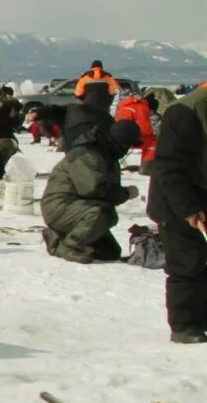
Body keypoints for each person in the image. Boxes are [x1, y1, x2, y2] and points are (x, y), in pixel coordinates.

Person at [147, 90, 207, 342]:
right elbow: (168, 165)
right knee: (188, 261)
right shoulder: (185, 112)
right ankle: (185, 326)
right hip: (175, 198)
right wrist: (189, 208)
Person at [39, 120, 140, 265]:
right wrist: (127, 193)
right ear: (121, 142)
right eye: (129, 145)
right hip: (58, 207)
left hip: (79, 207)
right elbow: (95, 190)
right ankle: (65, 246)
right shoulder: (88, 154)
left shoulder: (106, 154)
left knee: (110, 252)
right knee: (104, 212)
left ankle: (62, 236)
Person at [115, 91, 158, 166]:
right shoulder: (142, 108)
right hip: (130, 140)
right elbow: (144, 129)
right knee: (155, 141)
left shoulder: (126, 105)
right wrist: (155, 132)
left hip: (116, 138)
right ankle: (146, 165)